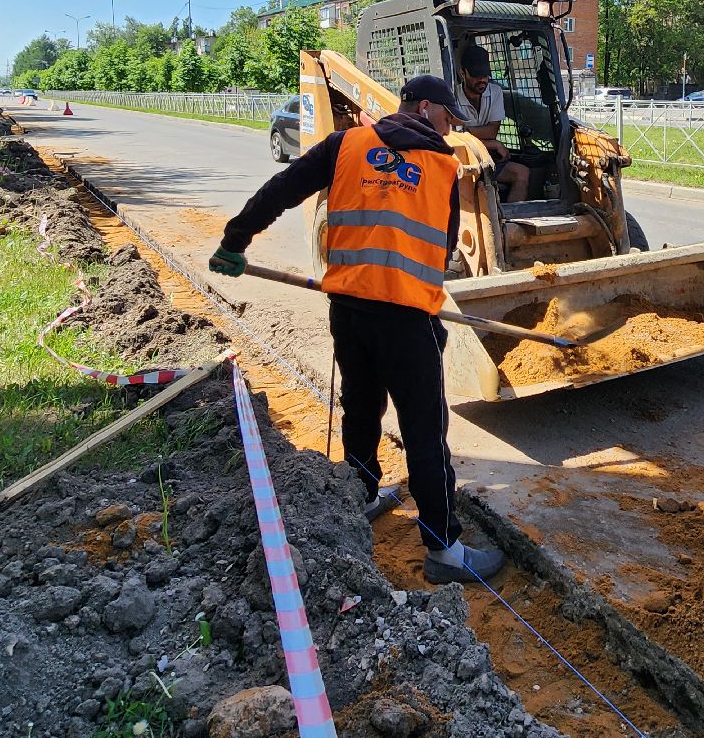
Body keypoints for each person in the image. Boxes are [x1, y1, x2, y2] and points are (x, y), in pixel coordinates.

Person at [207, 75, 506, 585]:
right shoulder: (440, 166)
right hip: (409, 321)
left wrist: (236, 240)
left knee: (361, 407)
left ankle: (357, 500)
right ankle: (444, 551)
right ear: (428, 108)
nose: (451, 126)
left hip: (348, 311)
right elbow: (446, 247)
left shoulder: (345, 145)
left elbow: (282, 188)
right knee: (425, 433)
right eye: (448, 116)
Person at [453, 44, 530, 203]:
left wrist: (465, 131)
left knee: (522, 173)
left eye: (485, 75)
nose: (482, 80)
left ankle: (512, 223)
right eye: (475, 75)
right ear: (463, 73)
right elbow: (454, 138)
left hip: (487, 158)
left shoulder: (494, 92)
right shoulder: (452, 96)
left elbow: (491, 131)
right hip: (461, 161)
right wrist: (493, 144)